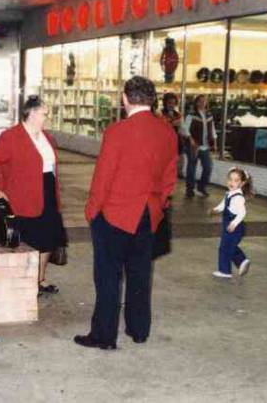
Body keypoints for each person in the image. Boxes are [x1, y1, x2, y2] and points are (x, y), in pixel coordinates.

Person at [74, 76, 178, 350]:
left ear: (125, 99)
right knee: (140, 274)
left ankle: (104, 336)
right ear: (153, 99)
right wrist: (157, 204)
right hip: (148, 214)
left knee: (108, 277)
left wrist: (92, 211)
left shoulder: (117, 132)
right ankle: (139, 329)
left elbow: (103, 178)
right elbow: (169, 177)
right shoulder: (167, 131)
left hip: (115, 214)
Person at [0, 95, 67, 296]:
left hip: (48, 192)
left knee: (49, 239)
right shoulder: (11, 136)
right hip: (24, 196)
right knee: (31, 240)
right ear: (31, 113)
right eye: (44, 114)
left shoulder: (47, 138)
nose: (47, 118)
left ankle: (39, 280)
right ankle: (27, 283)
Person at [209, 167, 254, 279]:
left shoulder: (238, 197)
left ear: (242, 183)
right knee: (228, 246)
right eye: (230, 179)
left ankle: (225, 271)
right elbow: (223, 205)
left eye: (235, 180)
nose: (231, 182)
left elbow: (242, 212)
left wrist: (234, 223)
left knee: (225, 248)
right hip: (229, 226)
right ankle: (242, 261)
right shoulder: (229, 194)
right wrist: (215, 210)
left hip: (235, 227)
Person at [182, 94, 217, 198]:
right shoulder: (191, 115)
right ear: (196, 102)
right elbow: (185, 129)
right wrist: (191, 140)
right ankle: (190, 189)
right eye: (200, 101)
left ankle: (201, 187)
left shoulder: (209, 115)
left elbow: (213, 129)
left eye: (204, 101)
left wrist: (214, 142)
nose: (202, 103)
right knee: (191, 167)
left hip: (205, 146)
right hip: (194, 145)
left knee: (208, 166)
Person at [160, 92, 184, 177]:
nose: (171, 105)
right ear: (165, 103)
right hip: (164, 142)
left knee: (178, 161)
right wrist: (172, 123)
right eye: (169, 103)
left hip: (177, 141)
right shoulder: (159, 113)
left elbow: (182, 128)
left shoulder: (178, 114)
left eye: (173, 103)